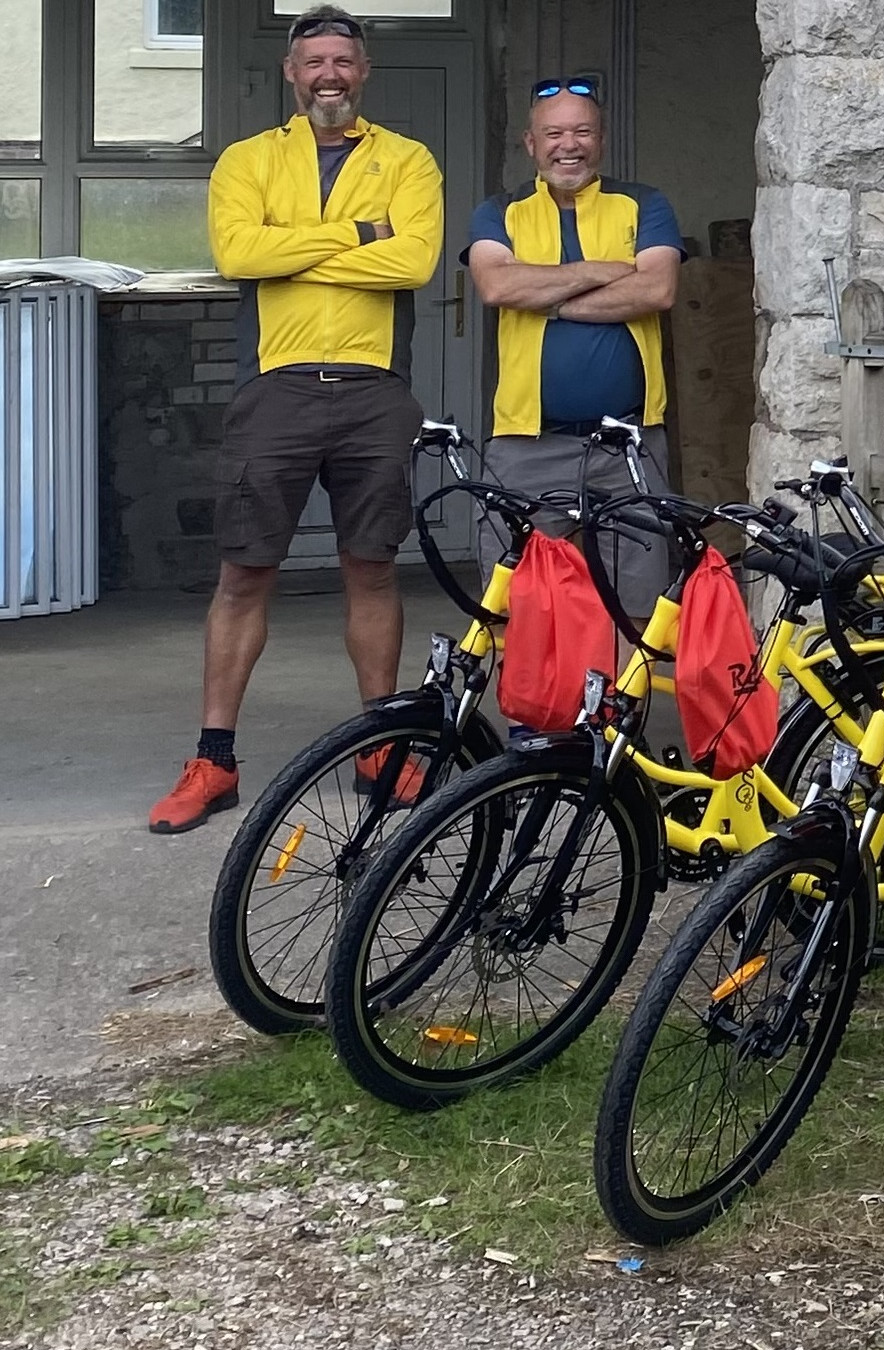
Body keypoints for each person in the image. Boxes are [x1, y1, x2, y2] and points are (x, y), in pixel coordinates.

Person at [151, 5, 443, 833]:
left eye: (342, 60)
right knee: (244, 574)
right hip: (275, 386)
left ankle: (379, 747)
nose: (329, 74)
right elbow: (239, 254)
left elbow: (414, 260)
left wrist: (296, 244)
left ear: (364, 71)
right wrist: (358, 233)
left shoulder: (408, 159)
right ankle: (214, 760)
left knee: (371, 569)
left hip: (374, 387)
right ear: (291, 73)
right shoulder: (248, 159)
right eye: (314, 61)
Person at [463, 79, 684, 622]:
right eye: (554, 133)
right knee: (515, 599)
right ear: (530, 143)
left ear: (601, 140)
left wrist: (548, 301)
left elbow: (657, 290)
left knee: (638, 606)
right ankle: (534, 685)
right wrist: (601, 272)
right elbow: (497, 286)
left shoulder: (644, 203)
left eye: (582, 131)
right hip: (528, 442)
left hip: (632, 440)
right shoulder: (499, 211)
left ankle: (617, 684)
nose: (569, 145)